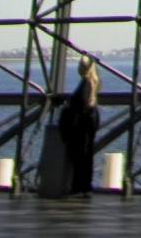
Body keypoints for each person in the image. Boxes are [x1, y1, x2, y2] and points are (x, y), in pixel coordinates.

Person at [59, 58, 101, 196]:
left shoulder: (86, 84)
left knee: (80, 154)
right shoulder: (93, 82)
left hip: (83, 123)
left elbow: (80, 104)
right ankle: (84, 186)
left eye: (81, 65)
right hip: (90, 121)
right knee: (86, 154)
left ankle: (78, 186)